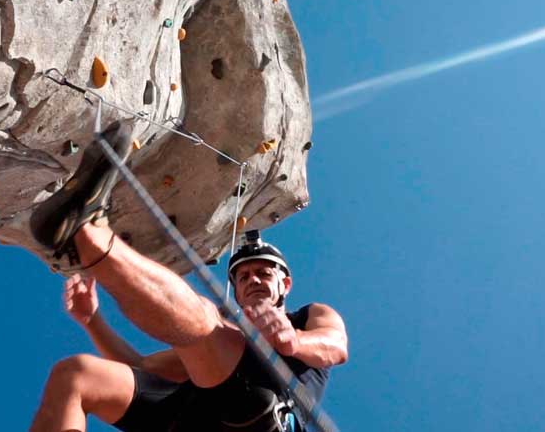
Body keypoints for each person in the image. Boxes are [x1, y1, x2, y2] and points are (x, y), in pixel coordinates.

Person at [28, 121, 348, 432]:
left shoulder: (307, 317)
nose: (253, 279)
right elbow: (142, 366)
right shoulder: (215, 340)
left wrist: (294, 341)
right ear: (235, 290)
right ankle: (86, 235)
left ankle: (89, 236)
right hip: (193, 416)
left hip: (258, 414)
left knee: (211, 324)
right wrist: (92, 321)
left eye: (263, 273)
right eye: (244, 276)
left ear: (285, 284)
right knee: (77, 375)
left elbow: (335, 347)